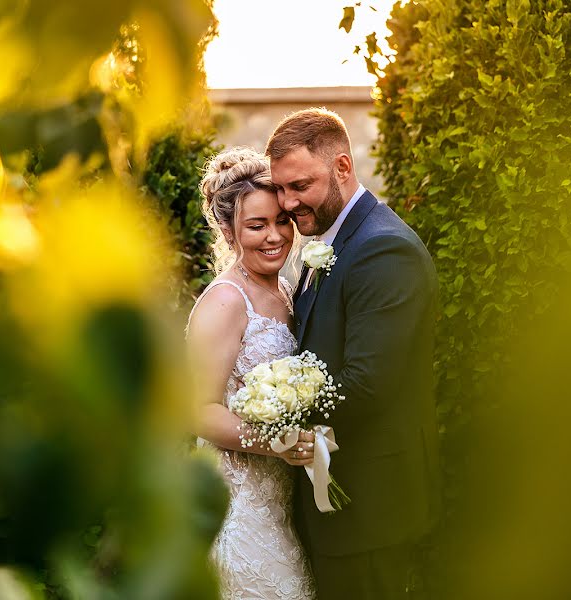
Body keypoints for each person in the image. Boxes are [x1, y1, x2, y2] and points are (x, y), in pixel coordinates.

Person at [266, 108, 441, 600]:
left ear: (343, 167)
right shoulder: (335, 239)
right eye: (280, 188)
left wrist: (275, 413)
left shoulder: (384, 250)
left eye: (300, 185)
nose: (287, 202)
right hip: (339, 504)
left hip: (370, 504)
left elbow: (367, 384)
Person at [186, 147, 317, 599]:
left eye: (281, 221)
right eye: (256, 226)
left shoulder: (284, 288)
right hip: (238, 511)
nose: (275, 236)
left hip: (281, 503)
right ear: (228, 231)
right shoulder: (225, 302)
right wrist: (277, 444)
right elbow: (198, 411)